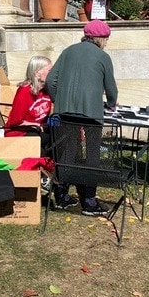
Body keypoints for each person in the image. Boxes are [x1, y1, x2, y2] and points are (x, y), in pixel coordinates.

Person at [45, 19, 118, 216]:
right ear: (99, 38)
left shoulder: (68, 51)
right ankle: (89, 201)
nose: (106, 42)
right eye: (106, 38)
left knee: (66, 153)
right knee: (92, 154)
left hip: (64, 111)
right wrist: (111, 103)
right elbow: (111, 88)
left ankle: (61, 196)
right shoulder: (102, 56)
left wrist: (58, 99)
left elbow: (51, 80)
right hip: (92, 113)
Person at [4, 56, 79, 210]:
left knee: (68, 138)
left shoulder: (47, 91)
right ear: (37, 73)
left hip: (38, 130)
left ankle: (60, 191)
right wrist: (36, 125)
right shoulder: (24, 91)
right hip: (19, 133)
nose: (53, 74)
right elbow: (15, 121)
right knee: (52, 145)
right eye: (50, 71)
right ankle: (53, 183)